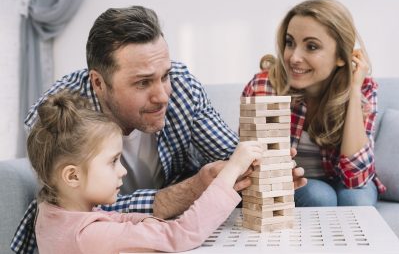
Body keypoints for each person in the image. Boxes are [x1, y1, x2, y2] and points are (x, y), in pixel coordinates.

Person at [12, 5, 307, 253]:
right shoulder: (58, 117)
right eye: (142, 82)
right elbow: (76, 207)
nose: (163, 95)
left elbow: (235, 156)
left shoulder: (181, 87)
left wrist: (263, 173)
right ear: (98, 83)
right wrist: (193, 188)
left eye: (164, 75)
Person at [27, 91, 263, 253]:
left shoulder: (52, 214)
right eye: (113, 162)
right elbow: (181, 235)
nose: (122, 171)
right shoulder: (87, 236)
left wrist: (150, 225)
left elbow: (118, 220)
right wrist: (231, 169)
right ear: (72, 176)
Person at [242, 0, 386, 207]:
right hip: (292, 182)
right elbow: (253, 166)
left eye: (311, 46)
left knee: (357, 198)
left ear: (341, 57)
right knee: (320, 196)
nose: (293, 57)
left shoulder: (363, 88)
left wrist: (353, 91)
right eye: (290, 43)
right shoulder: (265, 85)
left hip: (343, 180)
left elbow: (357, 178)